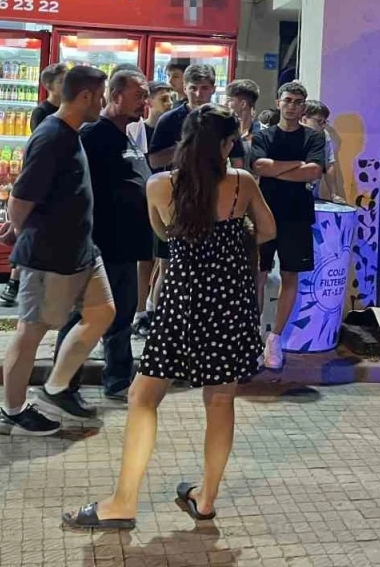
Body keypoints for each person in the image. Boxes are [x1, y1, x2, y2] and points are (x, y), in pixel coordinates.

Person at [63, 105, 275, 531]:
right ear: (226, 145)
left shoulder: (161, 185)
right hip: (230, 304)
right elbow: (268, 230)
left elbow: (162, 232)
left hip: (182, 304)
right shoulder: (242, 182)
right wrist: (238, 235)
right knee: (220, 401)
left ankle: (123, 502)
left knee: (143, 398)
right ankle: (206, 499)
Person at [0, 65, 115, 435]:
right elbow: (20, 198)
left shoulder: (70, 133)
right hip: (49, 255)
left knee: (102, 312)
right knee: (31, 331)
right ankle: (12, 410)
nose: (103, 103)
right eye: (100, 96)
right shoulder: (51, 136)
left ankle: (56, 387)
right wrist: (19, 228)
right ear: (85, 97)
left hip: (81, 251)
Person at [55, 69, 152, 402]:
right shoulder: (93, 136)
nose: (144, 102)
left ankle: (118, 380)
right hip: (99, 245)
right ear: (115, 95)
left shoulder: (129, 136)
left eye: (146, 96)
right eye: (138, 95)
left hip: (127, 246)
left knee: (121, 316)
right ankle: (63, 385)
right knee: (85, 318)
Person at [137, 64, 219, 337]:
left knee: (206, 268)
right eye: (193, 88)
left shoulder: (220, 118)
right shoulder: (170, 119)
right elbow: (154, 159)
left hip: (212, 200)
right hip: (176, 200)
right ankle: (160, 324)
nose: (198, 93)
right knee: (168, 264)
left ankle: (197, 326)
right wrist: (188, 148)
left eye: (204, 88)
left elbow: (238, 160)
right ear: (184, 88)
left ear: (213, 89)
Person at [249, 82, 326, 370]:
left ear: (304, 106)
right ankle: (252, 338)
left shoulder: (314, 137)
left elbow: (314, 171)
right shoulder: (263, 135)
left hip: (297, 216)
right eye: (288, 100)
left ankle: (275, 339)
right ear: (278, 102)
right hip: (264, 213)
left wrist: (276, 169)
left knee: (290, 276)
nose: (292, 106)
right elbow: (259, 167)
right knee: (258, 273)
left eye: (298, 101)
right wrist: (296, 165)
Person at [0, 63, 68, 308]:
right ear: (49, 86)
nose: (66, 86)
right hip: (41, 182)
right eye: (61, 81)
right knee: (28, 231)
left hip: (54, 184)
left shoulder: (66, 110)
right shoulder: (43, 112)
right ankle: (15, 281)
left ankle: (18, 282)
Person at [132, 81, 174, 328]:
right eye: (164, 99)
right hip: (145, 199)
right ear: (148, 102)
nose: (169, 104)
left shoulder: (171, 128)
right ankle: (139, 311)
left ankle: (152, 306)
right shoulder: (139, 131)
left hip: (169, 200)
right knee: (145, 258)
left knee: (163, 258)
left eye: (171, 99)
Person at [303, 100, 346, 204]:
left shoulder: (324, 135)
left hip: (311, 194)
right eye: (319, 121)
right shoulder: (289, 133)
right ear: (304, 119)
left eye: (325, 122)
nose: (323, 126)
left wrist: (333, 194)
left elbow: (329, 164)